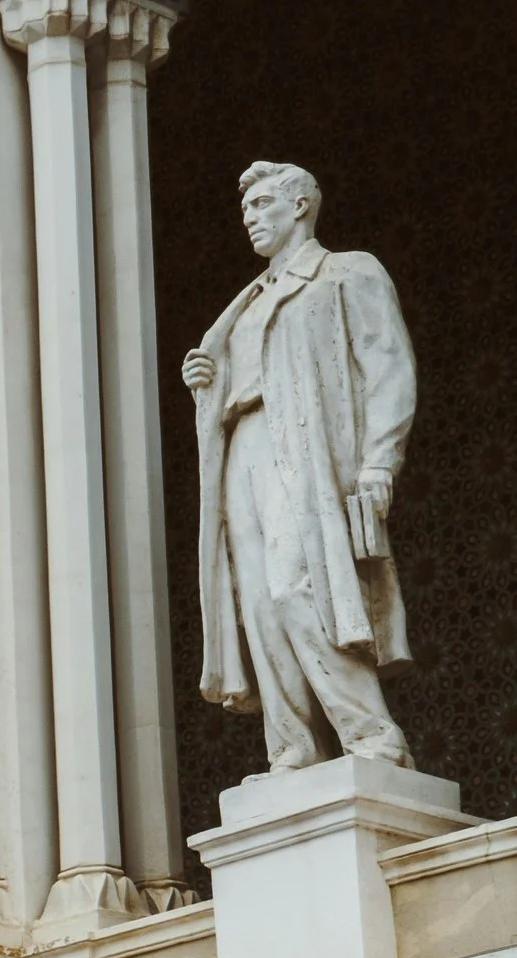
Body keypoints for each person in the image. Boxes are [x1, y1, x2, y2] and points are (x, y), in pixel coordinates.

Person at [185, 160, 417, 773]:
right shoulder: (245, 303)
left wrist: (378, 464)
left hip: (306, 449)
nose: (251, 220)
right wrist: (209, 380)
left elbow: (387, 368)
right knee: (257, 598)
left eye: (262, 205)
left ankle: (371, 734)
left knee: (298, 585)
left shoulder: (346, 272)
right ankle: (290, 744)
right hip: (244, 445)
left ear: (300, 206)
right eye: (246, 211)